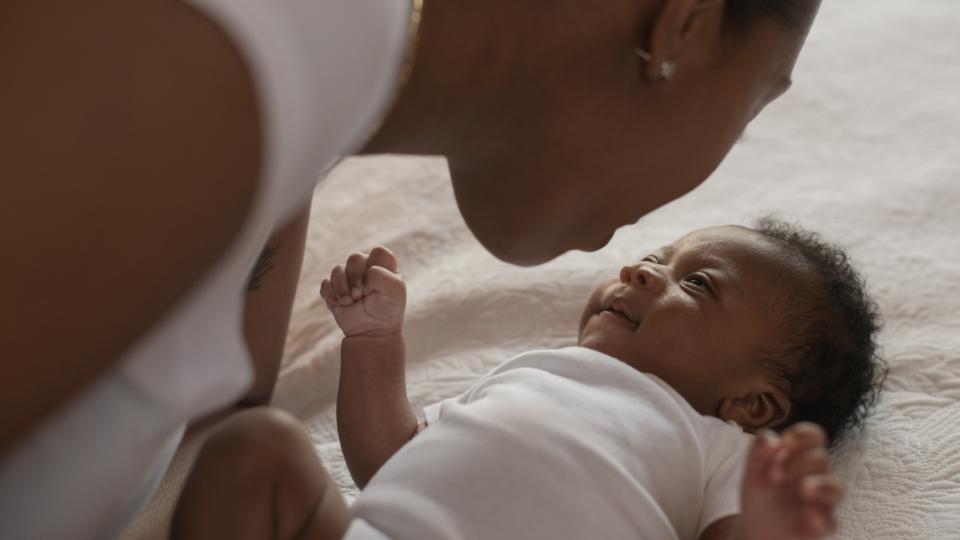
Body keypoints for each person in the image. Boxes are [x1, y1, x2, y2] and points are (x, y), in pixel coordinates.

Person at [0, 1, 822, 538]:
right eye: (758, 102)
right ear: (684, 24)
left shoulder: (302, 97)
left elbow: (225, 386)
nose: (641, 268)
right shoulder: (223, 58)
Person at [170, 217, 885, 540]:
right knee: (256, 447)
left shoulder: (721, 449)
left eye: (696, 285)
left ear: (752, 403)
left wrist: (769, 528)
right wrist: (375, 343)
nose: (640, 270)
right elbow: (391, 461)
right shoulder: (533, 373)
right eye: (657, 257)